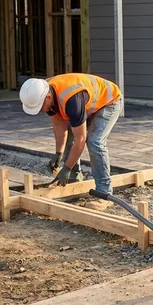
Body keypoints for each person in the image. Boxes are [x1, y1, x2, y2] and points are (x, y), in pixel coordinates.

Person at [19, 74, 122, 211]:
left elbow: (81, 139)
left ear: (48, 97)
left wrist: (66, 168)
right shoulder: (44, 92)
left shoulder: (71, 100)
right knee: (70, 134)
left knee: (95, 142)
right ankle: (73, 180)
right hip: (86, 103)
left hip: (109, 101)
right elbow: (59, 127)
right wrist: (58, 153)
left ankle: (104, 193)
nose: (40, 111)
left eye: (40, 107)